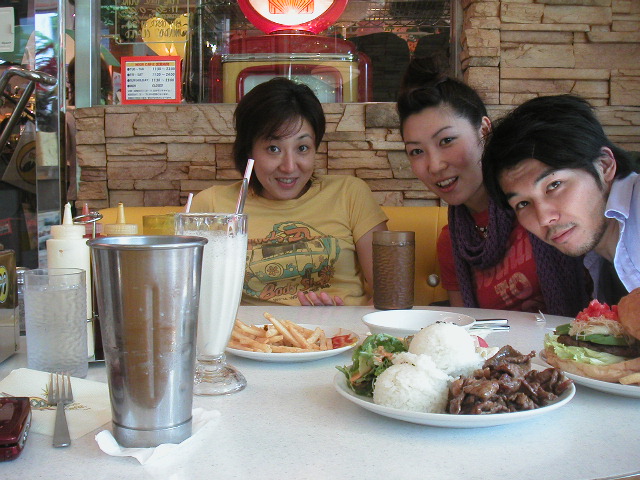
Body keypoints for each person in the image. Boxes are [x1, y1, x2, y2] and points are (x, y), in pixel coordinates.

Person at [396, 59, 589, 315]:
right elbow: (465, 327)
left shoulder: (545, 207)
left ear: (484, 130)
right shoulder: (454, 242)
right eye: (417, 151)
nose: (434, 165)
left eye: (446, 140)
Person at [190, 77, 388, 307]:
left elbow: (389, 294)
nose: (289, 167)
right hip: (252, 330)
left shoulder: (350, 194)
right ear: (249, 150)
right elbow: (184, 296)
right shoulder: (211, 206)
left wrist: (341, 320)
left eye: (302, 148)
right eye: (273, 149)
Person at [482, 94, 639, 305]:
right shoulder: (600, 256)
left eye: (554, 185)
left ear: (604, 165)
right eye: (523, 204)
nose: (544, 218)